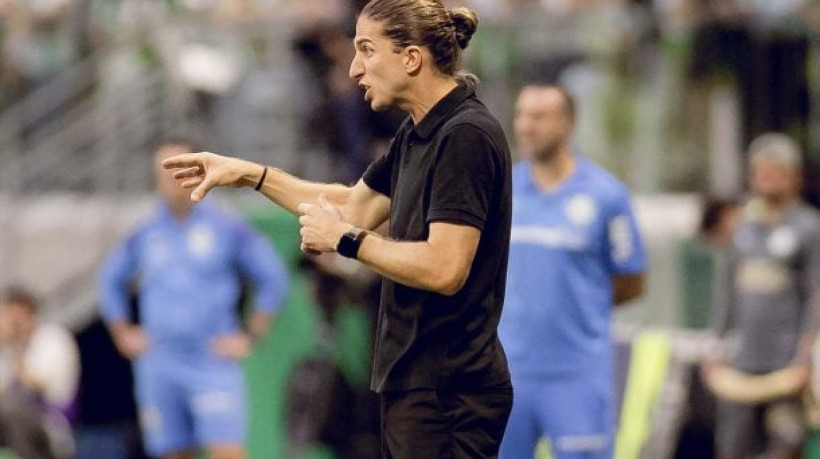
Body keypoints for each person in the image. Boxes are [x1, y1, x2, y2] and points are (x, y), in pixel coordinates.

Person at [162, 1, 514, 457]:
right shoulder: (417, 133)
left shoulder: (465, 135)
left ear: (411, 58)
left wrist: (346, 241)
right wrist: (250, 174)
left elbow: (445, 266)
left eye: (367, 50)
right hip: (416, 384)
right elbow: (351, 205)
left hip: (451, 390)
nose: (353, 69)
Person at [98, 140, 288, 459]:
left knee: (227, 451)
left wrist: (250, 335)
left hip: (211, 359)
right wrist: (122, 332)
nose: (171, 178)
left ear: (198, 172)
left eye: (179, 168)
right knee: (172, 452)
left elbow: (272, 278)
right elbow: (110, 281)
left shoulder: (228, 227)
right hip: (160, 360)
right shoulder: (144, 232)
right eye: (164, 170)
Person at [498, 84, 647, 459]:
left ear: (568, 123)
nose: (526, 127)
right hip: (507, 372)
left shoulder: (606, 196)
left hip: (577, 374)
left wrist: (580, 305)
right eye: (521, 115)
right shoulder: (502, 189)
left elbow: (631, 281)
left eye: (539, 116)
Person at [706, 133, 820, 459]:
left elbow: (815, 294)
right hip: (740, 360)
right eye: (760, 171)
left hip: (784, 363)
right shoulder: (741, 225)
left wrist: (805, 354)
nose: (766, 179)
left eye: (775, 171)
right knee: (733, 446)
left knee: (785, 443)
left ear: (794, 176)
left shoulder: (809, 227)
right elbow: (726, 291)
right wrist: (716, 344)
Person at [0, 286, 80, 459]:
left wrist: (14, 348)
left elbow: (35, 385)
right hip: (17, 425)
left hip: (52, 424)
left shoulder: (52, 339)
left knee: (9, 414)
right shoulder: (10, 348)